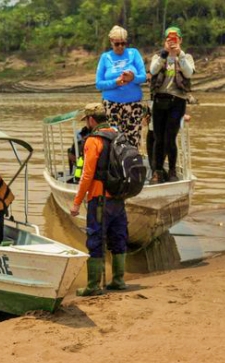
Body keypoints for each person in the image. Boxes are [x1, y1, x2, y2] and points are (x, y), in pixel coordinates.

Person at [69, 102, 129, 296]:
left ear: (91, 120)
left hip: (99, 198)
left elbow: (87, 175)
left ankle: (93, 285)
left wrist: (77, 202)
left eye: (86, 120)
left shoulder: (92, 140)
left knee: (95, 239)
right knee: (118, 237)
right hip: (118, 197)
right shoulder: (119, 135)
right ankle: (118, 280)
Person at [148, 27, 195, 183]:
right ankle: (157, 171)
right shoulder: (158, 56)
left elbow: (188, 73)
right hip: (159, 102)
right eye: (169, 39)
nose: (172, 42)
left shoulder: (186, 57)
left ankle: (173, 170)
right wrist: (164, 54)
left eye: (175, 39)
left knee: (170, 137)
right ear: (165, 41)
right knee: (158, 138)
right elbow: (153, 70)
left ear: (180, 40)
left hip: (177, 103)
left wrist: (179, 54)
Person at [95, 25, 147, 150]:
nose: (120, 47)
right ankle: (114, 167)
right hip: (111, 106)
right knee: (113, 140)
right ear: (111, 42)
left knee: (132, 140)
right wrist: (115, 82)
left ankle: (132, 165)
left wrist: (132, 78)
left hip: (133, 105)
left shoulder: (133, 53)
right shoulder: (105, 57)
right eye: (117, 44)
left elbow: (144, 77)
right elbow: (98, 84)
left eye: (123, 43)